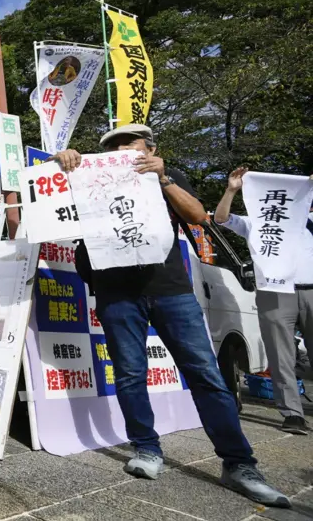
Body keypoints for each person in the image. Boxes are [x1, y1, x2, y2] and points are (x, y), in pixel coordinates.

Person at [53, 124, 290, 509]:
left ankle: (239, 463)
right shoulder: (88, 178)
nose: (122, 151)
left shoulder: (168, 175)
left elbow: (198, 217)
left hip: (171, 291)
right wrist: (62, 164)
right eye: (113, 147)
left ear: (151, 149)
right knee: (130, 374)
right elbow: (48, 207)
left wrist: (163, 178)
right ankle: (146, 448)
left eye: (130, 145)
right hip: (116, 294)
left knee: (205, 373)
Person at [214, 167, 312, 436]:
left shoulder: (309, 220)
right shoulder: (257, 222)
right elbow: (221, 219)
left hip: (311, 289)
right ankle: (292, 413)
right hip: (274, 292)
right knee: (280, 354)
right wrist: (231, 190)